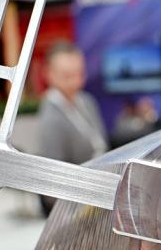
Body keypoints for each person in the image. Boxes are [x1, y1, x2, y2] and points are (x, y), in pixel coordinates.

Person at [37, 42, 109, 216]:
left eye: (80, 74)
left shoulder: (86, 101)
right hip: (79, 205)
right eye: (67, 76)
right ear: (49, 74)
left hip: (102, 187)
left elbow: (101, 143)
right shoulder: (51, 118)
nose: (76, 81)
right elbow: (53, 184)